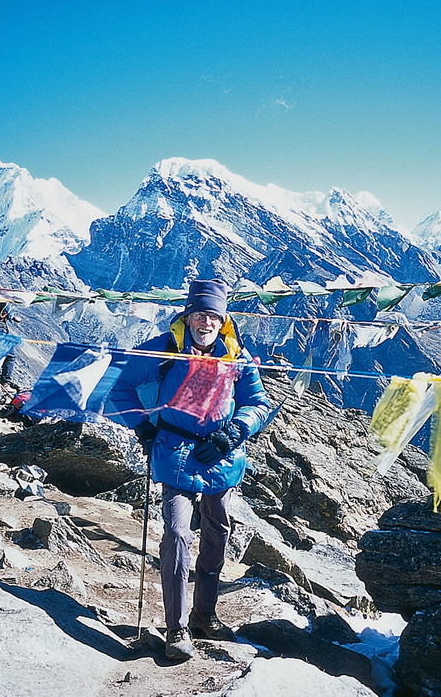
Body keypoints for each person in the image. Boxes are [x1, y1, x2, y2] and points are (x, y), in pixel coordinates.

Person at [107, 279, 272, 661]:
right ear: (188, 316)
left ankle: (204, 615)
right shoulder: (165, 349)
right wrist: (144, 428)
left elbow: (258, 403)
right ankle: (176, 627)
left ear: (223, 319)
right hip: (174, 450)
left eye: (213, 315)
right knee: (177, 536)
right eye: (200, 314)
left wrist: (235, 431)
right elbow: (120, 386)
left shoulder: (237, 355)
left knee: (217, 533)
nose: (206, 322)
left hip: (222, 455)